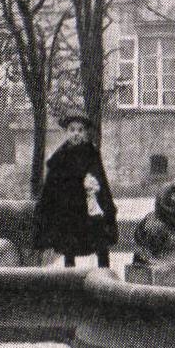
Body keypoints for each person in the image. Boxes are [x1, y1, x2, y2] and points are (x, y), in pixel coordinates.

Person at [31, 112, 118, 268]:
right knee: (68, 245)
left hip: (89, 207)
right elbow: (52, 184)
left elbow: (101, 178)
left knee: (100, 241)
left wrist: (104, 201)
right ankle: (69, 278)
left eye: (80, 130)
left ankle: (104, 273)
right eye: (72, 130)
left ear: (85, 132)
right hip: (69, 209)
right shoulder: (60, 156)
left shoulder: (91, 153)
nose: (76, 134)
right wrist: (47, 205)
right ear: (66, 132)